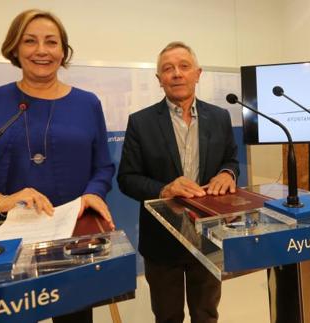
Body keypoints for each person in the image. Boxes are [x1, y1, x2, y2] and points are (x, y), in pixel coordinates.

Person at [0, 9, 115, 323]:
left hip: (72, 244)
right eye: (30, 41)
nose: (42, 50)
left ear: (63, 51)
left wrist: (93, 193)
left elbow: (102, 167)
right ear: (15, 49)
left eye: (51, 42)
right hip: (8, 244)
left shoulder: (88, 104)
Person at [117, 41, 239, 323]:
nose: (177, 74)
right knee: (168, 316)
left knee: (206, 314)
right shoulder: (140, 122)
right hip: (161, 241)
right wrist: (164, 189)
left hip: (209, 236)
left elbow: (231, 161)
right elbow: (127, 179)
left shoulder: (220, 117)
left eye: (184, 66)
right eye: (168, 69)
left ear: (198, 73)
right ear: (159, 80)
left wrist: (227, 174)